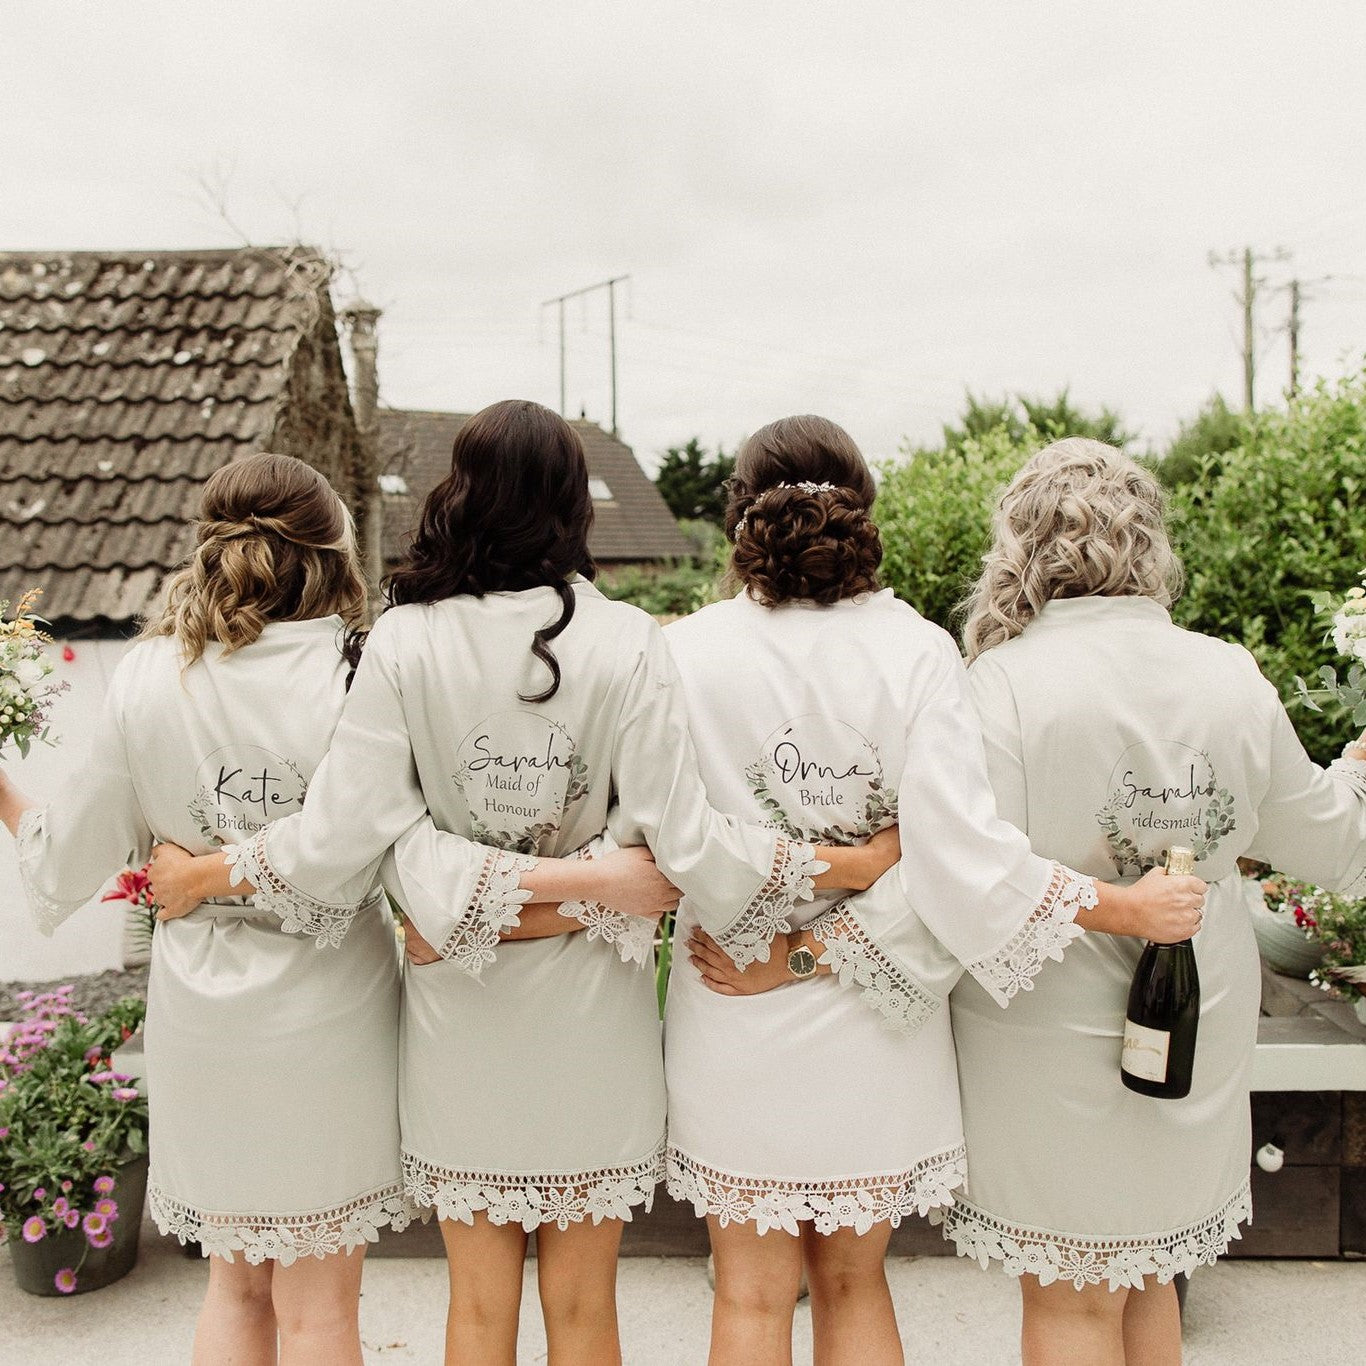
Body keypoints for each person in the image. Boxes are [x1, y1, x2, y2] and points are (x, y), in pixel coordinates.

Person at [149, 399, 897, 1366]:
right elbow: (675, 851)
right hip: (595, 1023)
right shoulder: (630, 640)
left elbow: (366, 842)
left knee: (474, 1308)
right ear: (570, 507)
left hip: (460, 1021)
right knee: (587, 1309)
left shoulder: (404, 642)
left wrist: (456, 901)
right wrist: (612, 880)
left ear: (460, 493)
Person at [670, 416, 1206, 1366]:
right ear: (862, 508)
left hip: (729, 997)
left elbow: (676, 841)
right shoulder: (919, 651)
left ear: (736, 519)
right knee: (854, 1280)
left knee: (750, 1295)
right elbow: (958, 858)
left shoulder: (685, 653)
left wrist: (777, 946)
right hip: (874, 1014)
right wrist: (860, 868)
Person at [942, 438, 1366, 1366]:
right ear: (1148, 542)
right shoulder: (1229, 675)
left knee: (1067, 1299)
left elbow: (969, 869)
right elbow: (1332, 842)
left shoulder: (999, 686)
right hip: (1197, 1018)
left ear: (1021, 544)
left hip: (1040, 1029)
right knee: (1145, 1284)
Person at [0, 453, 409, 1366]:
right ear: (331, 549)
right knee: (320, 1307)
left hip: (203, 1015)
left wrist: (4, 790)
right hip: (330, 1010)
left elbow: (70, 851)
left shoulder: (147, 676)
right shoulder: (357, 673)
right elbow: (358, 845)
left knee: (235, 1288)